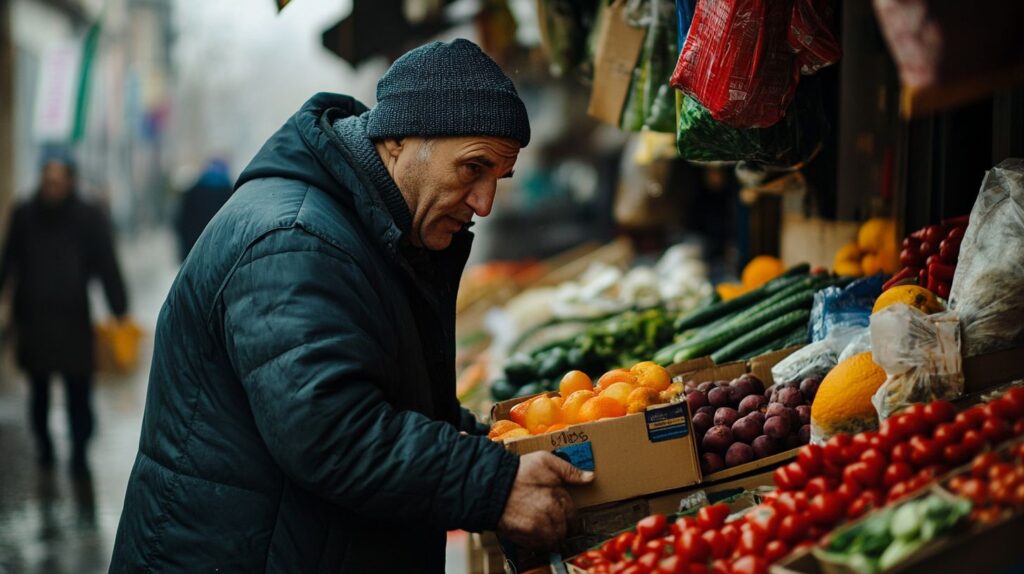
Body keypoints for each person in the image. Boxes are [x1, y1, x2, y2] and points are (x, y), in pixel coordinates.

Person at [110, 39, 590, 573]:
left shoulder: (368, 230)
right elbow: (329, 430)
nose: (485, 203)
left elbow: (381, 394)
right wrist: (490, 484)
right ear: (400, 141)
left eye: (497, 178)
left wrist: (496, 444)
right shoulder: (294, 240)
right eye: (472, 169)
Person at [0, 149, 128, 472]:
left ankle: (80, 451)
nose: (53, 184)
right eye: (48, 176)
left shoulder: (88, 215)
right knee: (38, 391)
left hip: (73, 318)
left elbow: (105, 263)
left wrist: (119, 306)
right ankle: (44, 447)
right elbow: (8, 261)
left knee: (79, 390)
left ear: (71, 179)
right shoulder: (24, 214)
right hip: (33, 318)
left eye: (60, 177)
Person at [173, 158, 233, 261]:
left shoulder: (191, 193)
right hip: (223, 256)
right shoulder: (233, 195)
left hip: (194, 252)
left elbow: (180, 223)